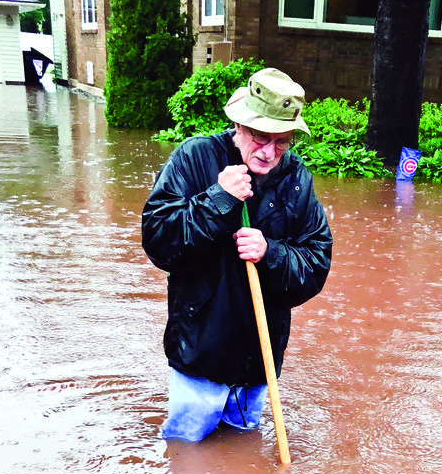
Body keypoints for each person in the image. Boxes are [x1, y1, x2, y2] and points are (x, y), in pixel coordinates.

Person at [141, 67, 333, 442]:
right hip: (200, 354)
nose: (269, 152)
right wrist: (218, 201)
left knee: (243, 451)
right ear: (239, 126)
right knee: (184, 455)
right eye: (261, 137)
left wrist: (271, 254)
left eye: (282, 142)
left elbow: (316, 260)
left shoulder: (296, 178)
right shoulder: (194, 158)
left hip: (259, 360)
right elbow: (159, 240)